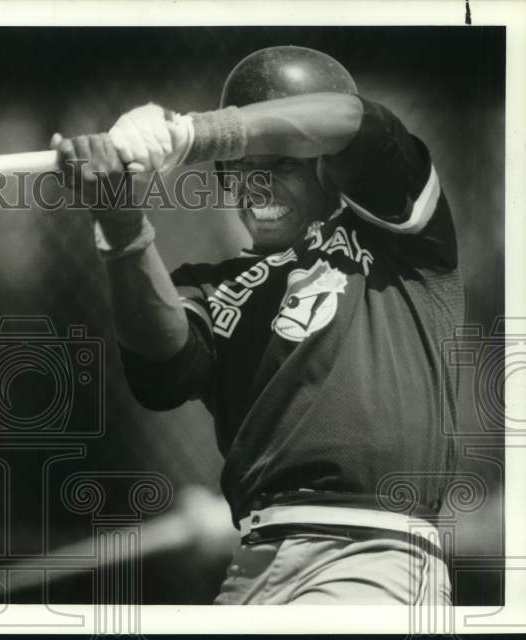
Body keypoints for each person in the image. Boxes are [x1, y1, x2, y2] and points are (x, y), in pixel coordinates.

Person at [52, 45, 463, 605]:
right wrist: (120, 223)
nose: (257, 185)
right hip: (253, 565)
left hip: (369, 556)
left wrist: (197, 133)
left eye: (282, 163)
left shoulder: (399, 234)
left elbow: (350, 120)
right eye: (242, 169)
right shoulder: (209, 283)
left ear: (330, 163)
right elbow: (163, 371)